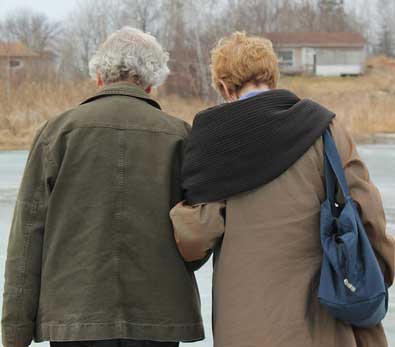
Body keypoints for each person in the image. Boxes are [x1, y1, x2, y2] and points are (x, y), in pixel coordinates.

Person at [170, 32, 395, 347]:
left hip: (247, 324)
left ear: (223, 86)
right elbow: (367, 213)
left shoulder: (213, 142)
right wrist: (377, 274)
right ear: (273, 77)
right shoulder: (323, 127)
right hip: (328, 314)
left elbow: (195, 239)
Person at [2, 27, 204, 347]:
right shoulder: (181, 136)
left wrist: (15, 329)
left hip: (74, 316)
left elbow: (27, 237)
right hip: (157, 316)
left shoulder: (56, 133)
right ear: (151, 83)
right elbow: (197, 235)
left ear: (99, 76)